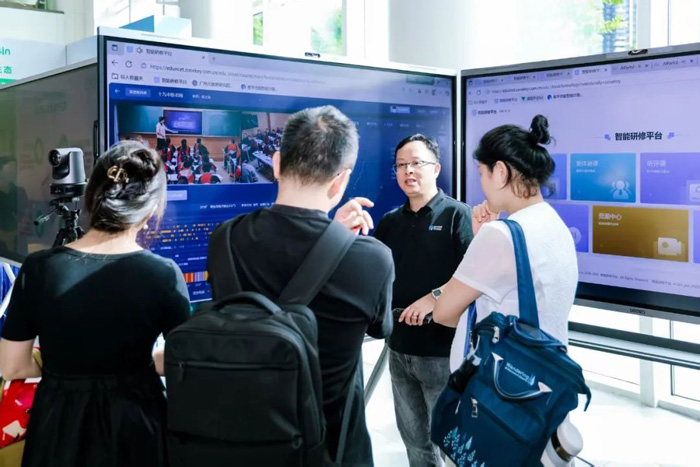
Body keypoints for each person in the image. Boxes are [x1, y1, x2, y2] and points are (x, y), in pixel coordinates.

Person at [209, 106, 394, 465]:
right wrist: (336, 238)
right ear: (341, 180)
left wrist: (334, 235)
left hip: (242, 442)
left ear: (277, 163)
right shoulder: (373, 259)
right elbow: (380, 327)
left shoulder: (224, 239)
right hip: (329, 449)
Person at [0, 141, 191, 467]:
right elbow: (181, 361)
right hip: (137, 426)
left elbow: (13, 367)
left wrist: (59, 363)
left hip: (59, 427)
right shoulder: (164, 274)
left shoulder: (39, 268)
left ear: (91, 197)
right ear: (150, 211)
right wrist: (139, 361)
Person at [432, 115, 577, 373]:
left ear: (500, 172)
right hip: (544, 378)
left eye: (481, 173)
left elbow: (443, 312)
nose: (481, 183)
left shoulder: (500, 235)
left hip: (498, 387)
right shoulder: (554, 223)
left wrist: (482, 240)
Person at [373, 135, 473, 467]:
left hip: (443, 352)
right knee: (415, 443)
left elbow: (473, 277)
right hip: (399, 349)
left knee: (453, 445)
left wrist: (434, 297)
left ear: (436, 168)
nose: (408, 171)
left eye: (417, 163)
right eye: (401, 165)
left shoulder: (457, 215)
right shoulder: (390, 222)